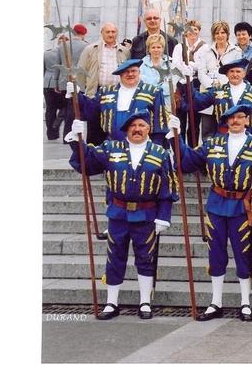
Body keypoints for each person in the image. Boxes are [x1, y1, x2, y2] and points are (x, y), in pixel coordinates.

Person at [66, 111, 177, 320]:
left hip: (146, 214)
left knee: (146, 258)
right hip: (118, 214)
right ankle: (111, 302)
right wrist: (77, 140)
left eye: (141, 125)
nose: (137, 129)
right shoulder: (111, 148)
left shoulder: (160, 153)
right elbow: (87, 163)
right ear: (126, 130)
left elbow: (168, 186)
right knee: (114, 257)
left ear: (149, 128)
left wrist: (164, 216)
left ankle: (145, 302)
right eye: (133, 126)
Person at [168, 102, 252, 322]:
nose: (235, 121)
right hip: (216, 205)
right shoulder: (212, 144)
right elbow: (186, 163)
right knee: (216, 253)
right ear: (226, 122)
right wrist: (176, 139)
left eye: (240, 117)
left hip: (243, 207)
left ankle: (245, 302)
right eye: (231, 118)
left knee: (243, 253)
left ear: (247, 120)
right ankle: (216, 302)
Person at [71, 58, 169, 147]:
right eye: (126, 72)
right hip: (112, 146)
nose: (130, 74)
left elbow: (160, 121)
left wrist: (157, 145)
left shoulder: (153, 92)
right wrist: (77, 95)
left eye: (133, 71)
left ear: (139, 72)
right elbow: (91, 111)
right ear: (120, 74)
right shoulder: (106, 92)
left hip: (143, 147)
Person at [190, 55, 252, 143]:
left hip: (247, 140)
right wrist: (188, 83)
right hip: (223, 140)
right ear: (226, 74)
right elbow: (198, 101)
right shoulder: (217, 91)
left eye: (238, 71)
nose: (235, 74)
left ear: (244, 74)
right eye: (231, 71)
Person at [44, 26, 87, 139]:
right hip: (79, 81)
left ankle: (59, 134)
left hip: (63, 81)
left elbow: (58, 65)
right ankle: (68, 134)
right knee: (74, 109)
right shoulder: (87, 46)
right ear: (84, 34)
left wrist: (56, 82)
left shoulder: (62, 46)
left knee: (63, 108)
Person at [79, 22, 130, 96]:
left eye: (113, 32)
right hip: (96, 92)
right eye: (107, 32)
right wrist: (81, 91)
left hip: (118, 92)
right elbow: (81, 70)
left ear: (117, 33)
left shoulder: (124, 51)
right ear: (102, 33)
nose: (110, 35)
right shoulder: (90, 49)